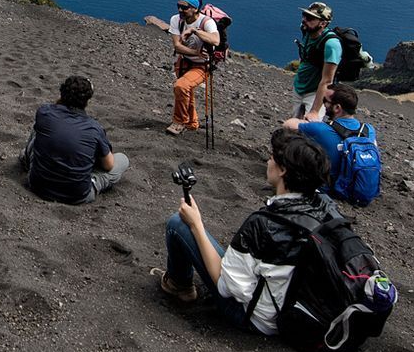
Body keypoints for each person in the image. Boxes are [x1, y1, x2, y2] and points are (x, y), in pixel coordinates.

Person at [154, 128, 394, 338]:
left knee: (179, 224)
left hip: (261, 321)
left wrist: (196, 224)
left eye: (271, 158)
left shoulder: (263, 225)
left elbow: (227, 287)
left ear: (283, 171)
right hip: (306, 306)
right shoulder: (327, 207)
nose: (268, 161)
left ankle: (180, 286)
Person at [19, 74, 128, 204]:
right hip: (76, 195)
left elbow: (55, 110)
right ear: (87, 101)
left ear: (61, 94)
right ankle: (90, 180)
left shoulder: (44, 112)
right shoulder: (94, 128)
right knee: (122, 159)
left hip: (37, 185)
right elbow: (108, 165)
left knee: (40, 130)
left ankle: (27, 158)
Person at [283, 83, 382, 205]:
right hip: (357, 190)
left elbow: (288, 125)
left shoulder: (321, 129)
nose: (323, 104)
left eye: (325, 101)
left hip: (330, 191)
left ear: (337, 108)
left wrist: (308, 121)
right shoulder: (368, 129)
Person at [142, 0, 220, 134]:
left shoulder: (206, 22)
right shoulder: (176, 20)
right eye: (179, 6)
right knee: (185, 91)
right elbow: (177, 46)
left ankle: (179, 122)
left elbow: (215, 40)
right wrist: (196, 53)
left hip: (202, 66)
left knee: (181, 86)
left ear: (195, 9)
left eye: (184, 7)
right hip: (183, 62)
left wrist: (194, 30)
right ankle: (192, 123)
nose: (180, 10)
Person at [292, 1, 342, 120]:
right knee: (294, 125)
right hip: (300, 87)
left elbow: (327, 80)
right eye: (304, 15)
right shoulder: (307, 31)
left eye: (310, 18)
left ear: (323, 23)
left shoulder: (331, 44)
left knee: (311, 129)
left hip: (315, 93)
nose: (304, 20)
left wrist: (315, 111)